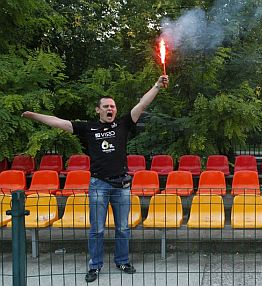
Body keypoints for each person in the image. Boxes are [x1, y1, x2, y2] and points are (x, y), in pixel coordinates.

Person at [22, 75, 169, 282]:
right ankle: (95, 266)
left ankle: (123, 261)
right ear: (98, 110)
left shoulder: (123, 125)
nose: (111, 109)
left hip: (121, 185)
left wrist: (156, 86)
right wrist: (34, 115)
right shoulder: (88, 128)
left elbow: (142, 104)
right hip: (98, 184)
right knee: (97, 229)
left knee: (123, 227)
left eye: (113, 106)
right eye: (106, 106)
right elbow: (58, 122)